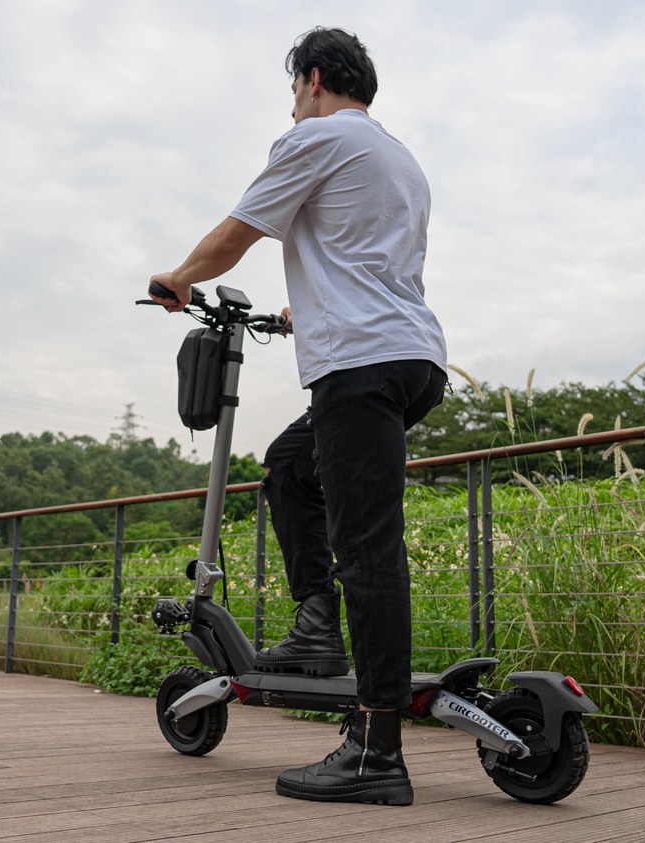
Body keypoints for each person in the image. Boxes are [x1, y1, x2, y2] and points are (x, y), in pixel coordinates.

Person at [149, 27, 447, 806]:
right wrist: (300, 310)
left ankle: (374, 751)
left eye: (292, 91)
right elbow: (363, 259)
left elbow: (237, 233)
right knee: (290, 464)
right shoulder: (398, 158)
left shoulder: (314, 137)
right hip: (413, 359)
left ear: (314, 80)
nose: (292, 105)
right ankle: (317, 621)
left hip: (359, 365)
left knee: (370, 550)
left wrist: (178, 277)